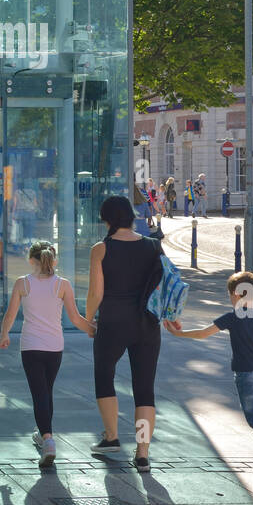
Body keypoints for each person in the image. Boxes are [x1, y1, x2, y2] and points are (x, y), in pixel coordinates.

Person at [170, 269, 253, 478]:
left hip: (246, 375)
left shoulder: (232, 317)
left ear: (234, 294)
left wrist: (178, 333)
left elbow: (203, 333)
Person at [83, 195, 165, 471]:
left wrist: (89, 318)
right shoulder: (154, 246)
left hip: (113, 323)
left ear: (106, 219)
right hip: (147, 325)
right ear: (131, 216)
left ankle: (112, 437)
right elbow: (163, 286)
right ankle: (142, 453)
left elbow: (96, 292)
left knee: (104, 376)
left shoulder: (101, 249)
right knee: (144, 390)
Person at [0, 240, 92, 468]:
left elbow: (10, 315)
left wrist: (4, 334)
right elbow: (76, 318)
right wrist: (94, 330)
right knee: (46, 392)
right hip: (54, 347)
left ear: (32, 260)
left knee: (39, 393)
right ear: (53, 259)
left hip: (31, 347)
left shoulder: (23, 283)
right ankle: (43, 434)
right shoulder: (63, 285)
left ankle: (48, 440)